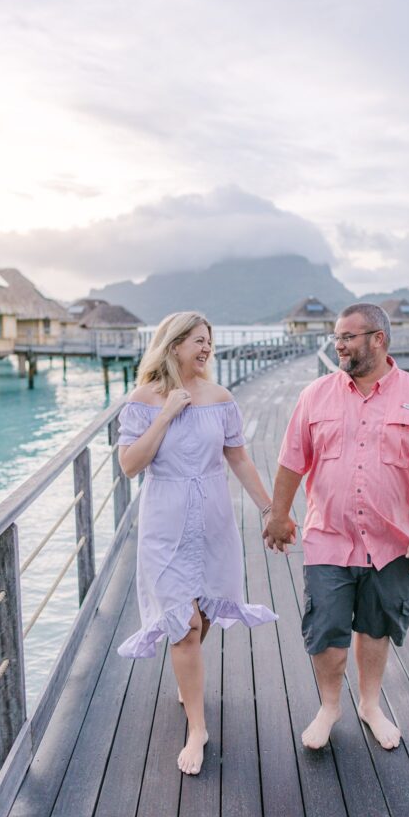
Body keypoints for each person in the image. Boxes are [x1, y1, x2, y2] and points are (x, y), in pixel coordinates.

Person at [264, 303, 409, 751]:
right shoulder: (315, 395)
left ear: (379, 339)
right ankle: (329, 706)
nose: (339, 344)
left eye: (349, 336)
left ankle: (370, 704)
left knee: (376, 629)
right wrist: (278, 515)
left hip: (393, 542)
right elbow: (292, 461)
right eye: (337, 336)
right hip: (328, 536)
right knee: (326, 632)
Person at [117, 311, 277, 775]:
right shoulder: (143, 400)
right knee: (183, 624)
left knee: (201, 615)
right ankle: (197, 728)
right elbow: (130, 465)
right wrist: (166, 413)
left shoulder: (220, 398)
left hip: (212, 518)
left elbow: (240, 460)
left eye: (209, 341)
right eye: (197, 341)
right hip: (165, 521)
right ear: (172, 345)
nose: (206, 349)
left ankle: (188, 680)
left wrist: (271, 511)